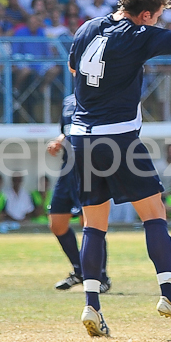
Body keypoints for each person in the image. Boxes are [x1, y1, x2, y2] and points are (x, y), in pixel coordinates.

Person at [68, 0, 171, 337]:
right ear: (146, 14)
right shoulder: (139, 34)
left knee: (94, 224)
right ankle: (168, 294)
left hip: (81, 137)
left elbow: (74, 69)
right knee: (154, 214)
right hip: (119, 137)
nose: (156, 22)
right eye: (156, 16)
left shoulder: (88, 27)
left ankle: (91, 305)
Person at [46, 94, 112, 293]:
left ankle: (101, 276)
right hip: (67, 172)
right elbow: (68, 131)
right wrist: (59, 141)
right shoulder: (67, 101)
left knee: (90, 224)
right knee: (57, 224)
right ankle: (79, 271)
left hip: (90, 170)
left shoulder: (100, 97)